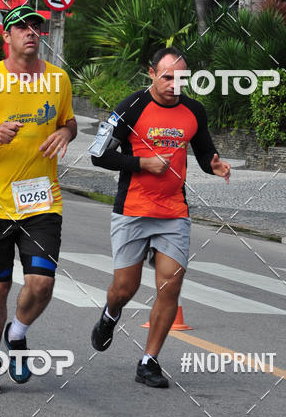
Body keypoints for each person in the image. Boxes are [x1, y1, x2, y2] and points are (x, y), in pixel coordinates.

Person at [90, 46, 230, 389]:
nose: (173, 85)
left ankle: (149, 361)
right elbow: (98, 155)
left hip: (173, 212)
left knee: (171, 286)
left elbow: (204, 152)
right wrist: (142, 164)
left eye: (180, 78)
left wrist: (215, 164)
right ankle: (110, 314)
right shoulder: (131, 107)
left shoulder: (194, 111)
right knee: (125, 287)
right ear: (151, 73)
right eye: (167, 77)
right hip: (133, 210)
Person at [0, 5, 76, 394]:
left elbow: (68, 120)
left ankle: (18, 334)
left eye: (35, 26)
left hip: (41, 202)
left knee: (41, 283)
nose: (30, 32)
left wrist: (66, 133)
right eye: (21, 27)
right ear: (5, 36)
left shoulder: (58, 79)